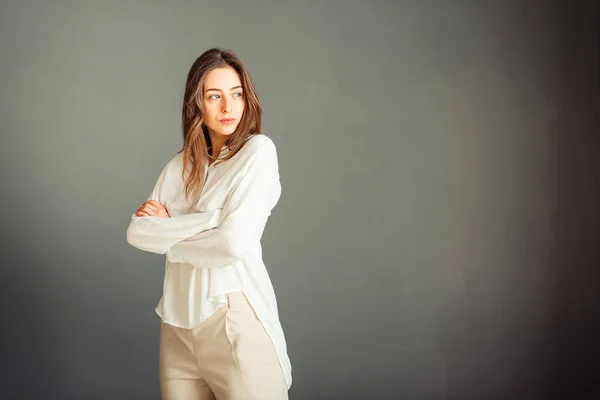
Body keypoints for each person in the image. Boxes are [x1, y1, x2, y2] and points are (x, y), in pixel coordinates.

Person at [126, 48, 291, 400]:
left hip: (234, 322)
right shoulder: (179, 166)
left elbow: (232, 244)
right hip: (177, 329)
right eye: (214, 96)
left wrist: (172, 231)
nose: (228, 107)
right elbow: (138, 233)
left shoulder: (257, 153)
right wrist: (213, 222)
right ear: (196, 103)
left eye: (236, 94)